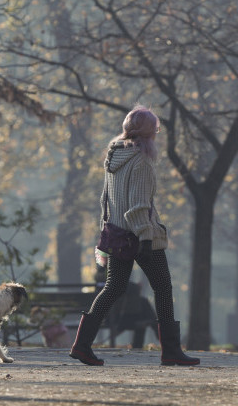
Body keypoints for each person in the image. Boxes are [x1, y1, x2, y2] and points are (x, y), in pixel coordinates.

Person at [69, 105, 199, 366]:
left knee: (113, 288)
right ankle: (171, 351)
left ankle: (81, 345)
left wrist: (106, 228)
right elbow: (138, 204)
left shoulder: (114, 158)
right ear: (150, 133)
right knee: (163, 288)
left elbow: (106, 200)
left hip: (117, 234)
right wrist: (146, 238)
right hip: (140, 236)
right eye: (156, 131)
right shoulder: (141, 160)